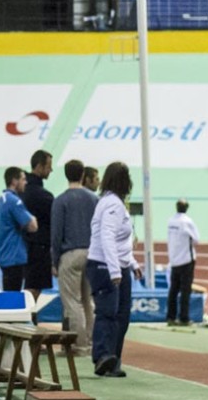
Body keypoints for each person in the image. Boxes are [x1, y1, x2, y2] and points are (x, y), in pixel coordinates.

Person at [85, 162, 143, 378]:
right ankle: (101, 356)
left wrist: (132, 263)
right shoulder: (112, 204)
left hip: (118, 264)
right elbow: (107, 237)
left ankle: (113, 360)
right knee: (108, 313)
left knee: (122, 315)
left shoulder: (115, 203)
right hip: (105, 265)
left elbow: (121, 241)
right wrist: (114, 271)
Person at [50, 159, 99, 356]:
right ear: (82, 175)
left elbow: (56, 233)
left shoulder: (61, 200)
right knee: (88, 301)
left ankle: (78, 345)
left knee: (72, 302)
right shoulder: (94, 199)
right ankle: (89, 342)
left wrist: (54, 261)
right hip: (92, 252)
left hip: (70, 254)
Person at [0, 166, 37, 292]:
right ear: (14, 181)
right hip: (14, 256)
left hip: (5, 254)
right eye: (23, 179)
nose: (26, 182)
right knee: (13, 296)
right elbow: (32, 226)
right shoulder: (14, 201)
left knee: (9, 292)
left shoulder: (2, 199)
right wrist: (33, 218)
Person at [21, 149, 54, 303]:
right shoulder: (44, 196)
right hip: (38, 248)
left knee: (26, 287)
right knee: (33, 288)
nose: (51, 170)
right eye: (49, 166)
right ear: (40, 166)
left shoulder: (20, 191)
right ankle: (25, 318)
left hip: (21, 246)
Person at [166, 198, 200, 327]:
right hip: (186, 260)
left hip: (174, 259)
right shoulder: (187, 222)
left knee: (173, 290)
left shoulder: (171, 221)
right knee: (185, 290)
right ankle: (184, 318)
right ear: (186, 208)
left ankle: (170, 317)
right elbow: (196, 239)